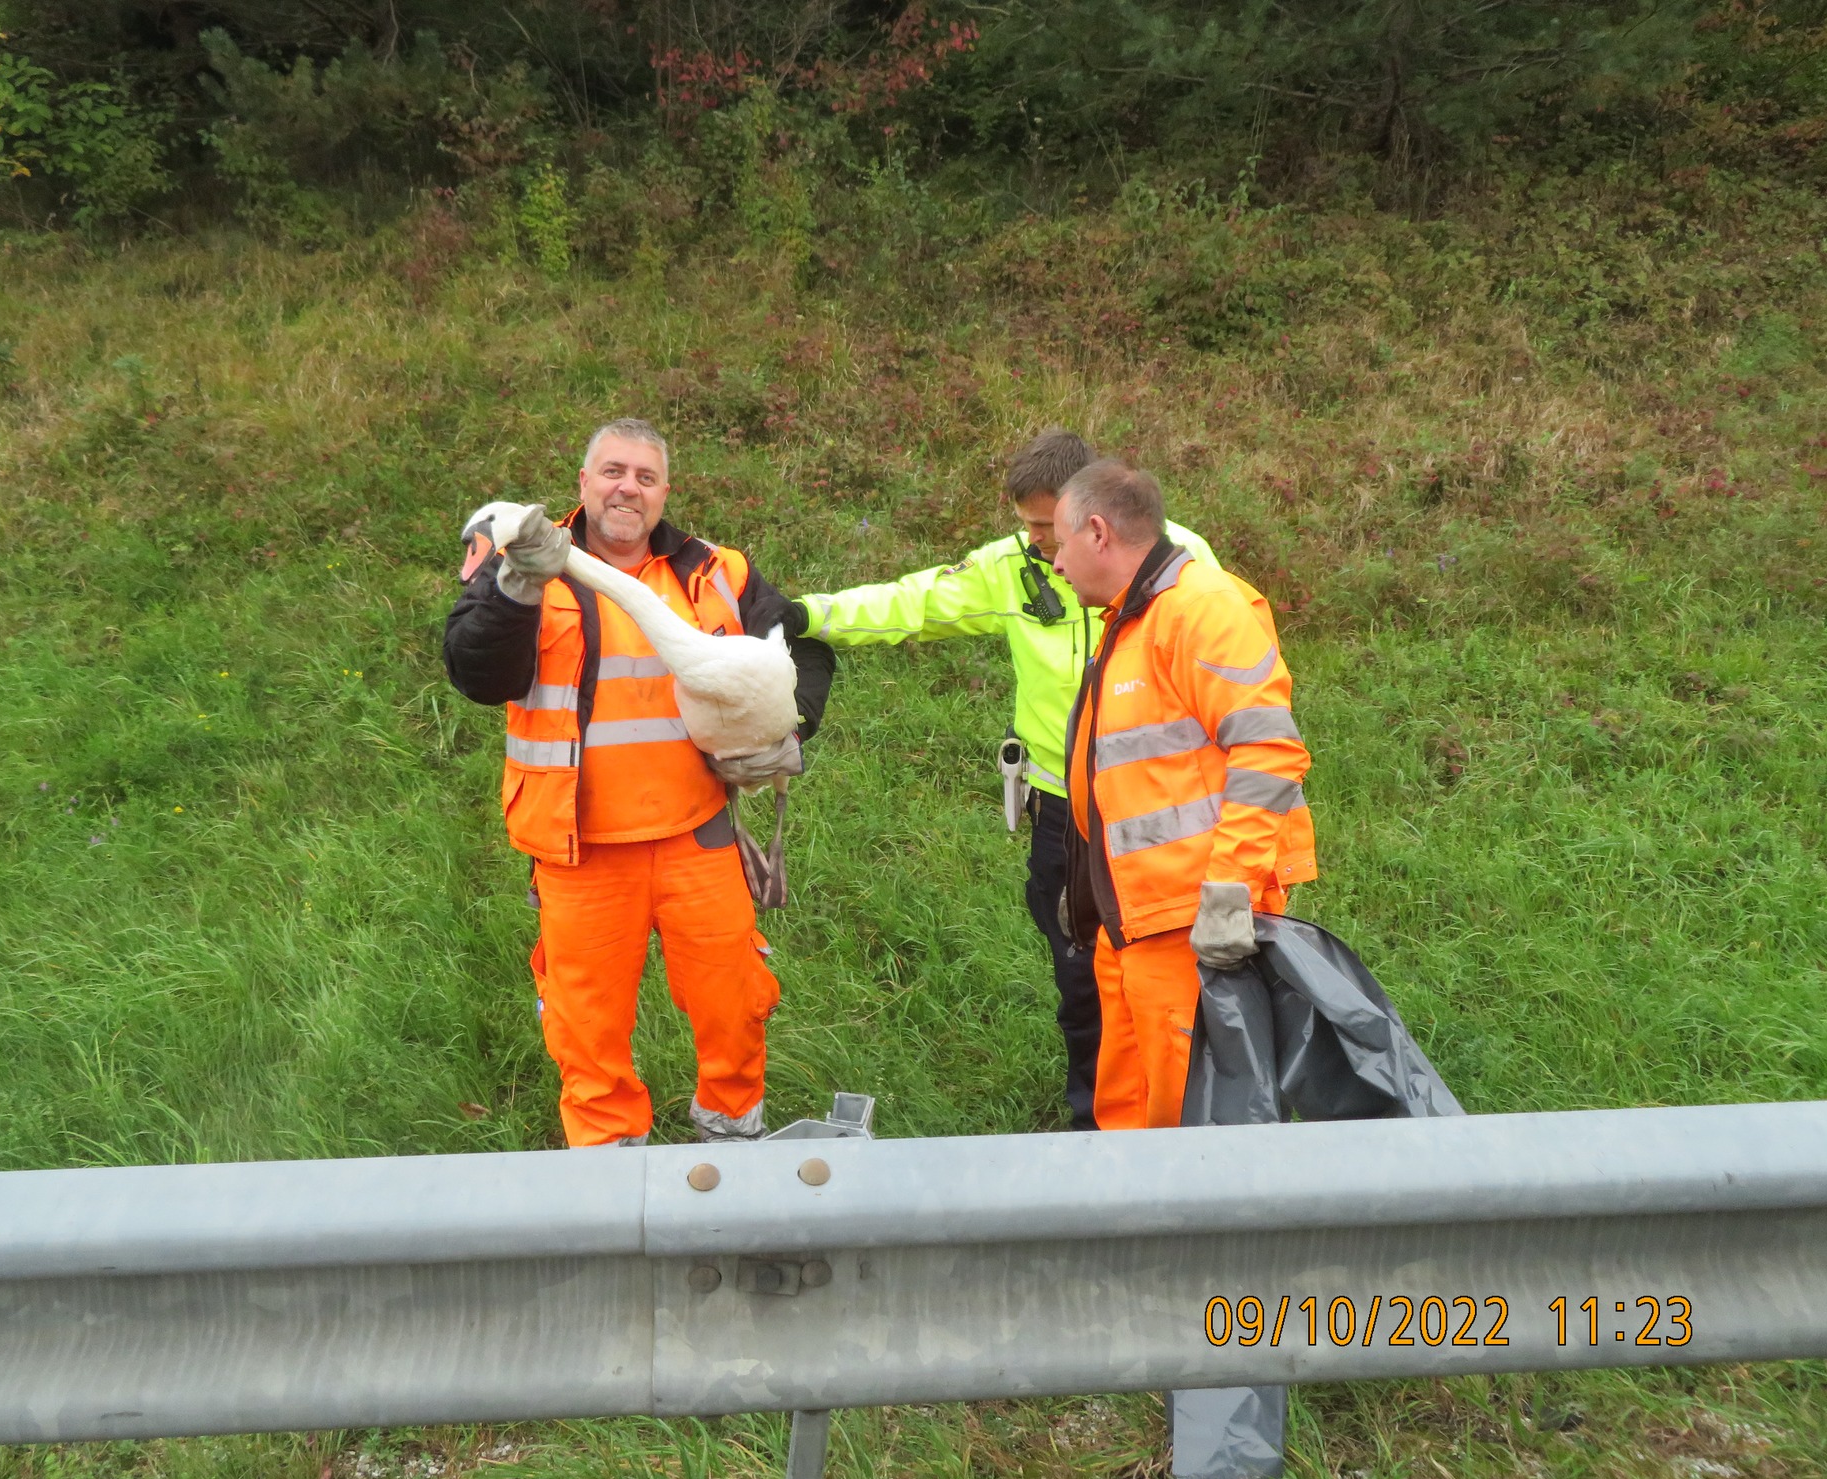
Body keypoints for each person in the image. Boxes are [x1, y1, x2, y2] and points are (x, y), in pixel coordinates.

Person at [793, 429, 1219, 1129]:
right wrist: (806, 614)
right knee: (1082, 979)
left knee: (1175, 981)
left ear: (1098, 516)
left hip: (1168, 817)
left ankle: (1190, 1123)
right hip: (1065, 813)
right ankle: (1098, 1126)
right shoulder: (1012, 565)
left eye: (1049, 530)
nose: (1041, 549)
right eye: (1029, 530)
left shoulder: (1184, 562)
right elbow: (914, 603)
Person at [442, 418, 835, 1148]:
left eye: (646, 477)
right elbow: (475, 671)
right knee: (586, 1029)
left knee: (735, 1007)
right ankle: (612, 1174)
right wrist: (518, 584)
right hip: (581, 849)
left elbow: (803, 651)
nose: (629, 487)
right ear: (583, 484)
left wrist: (787, 731)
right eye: (614, 471)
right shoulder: (522, 560)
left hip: (699, 838)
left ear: (664, 493)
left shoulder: (720, 572)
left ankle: (734, 1139)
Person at [1048, 458, 1316, 1131]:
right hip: (1135, 919)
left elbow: (1268, 750)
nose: (1055, 562)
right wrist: (1091, 886)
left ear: (1099, 533)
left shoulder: (1199, 609)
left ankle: (1194, 1240)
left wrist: (1229, 890)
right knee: (1130, 1112)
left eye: (1058, 541)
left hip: (1191, 922)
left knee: (1192, 1123)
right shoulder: (1134, 618)